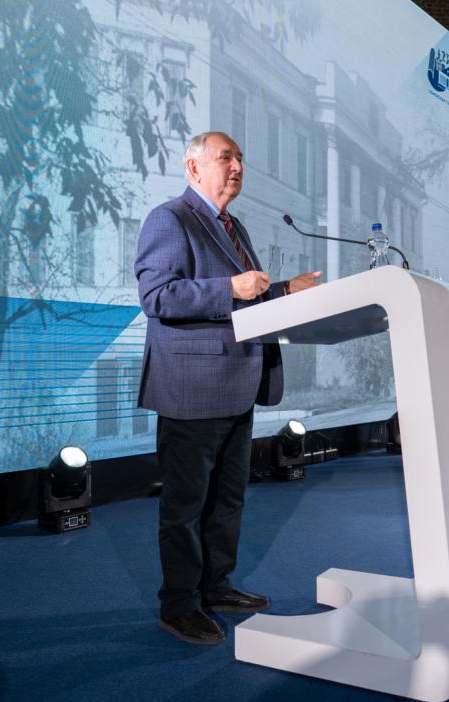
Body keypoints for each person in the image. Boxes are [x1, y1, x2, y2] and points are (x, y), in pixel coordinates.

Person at [134, 131, 322, 645]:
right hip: (191, 389)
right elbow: (157, 296)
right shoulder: (170, 219)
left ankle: (215, 587)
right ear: (193, 167)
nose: (237, 166)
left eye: (240, 158)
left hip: (237, 384)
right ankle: (178, 605)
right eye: (225, 157)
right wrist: (229, 287)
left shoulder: (231, 225)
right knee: (185, 506)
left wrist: (284, 290)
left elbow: (247, 298)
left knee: (228, 500)